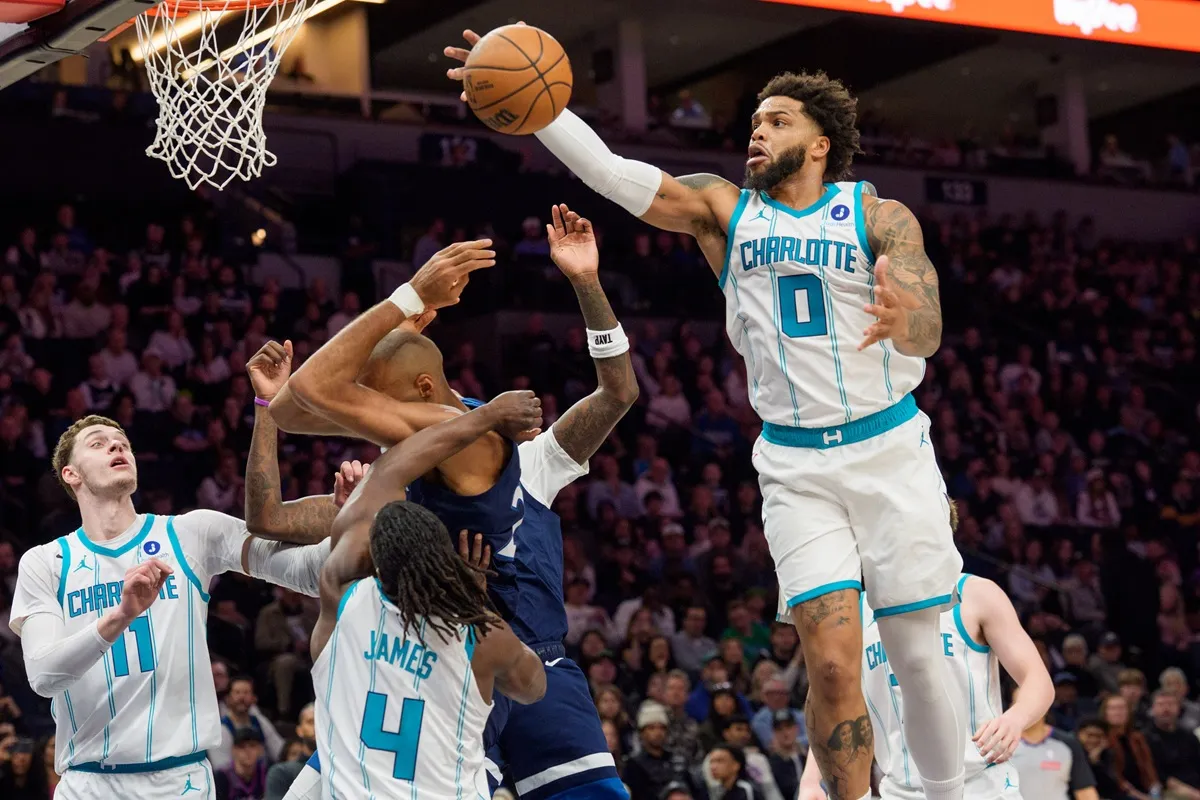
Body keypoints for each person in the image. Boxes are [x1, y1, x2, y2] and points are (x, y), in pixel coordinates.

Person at [447, 30, 962, 800]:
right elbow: (612, 172)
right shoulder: (724, 211)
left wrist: (905, 320)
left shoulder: (877, 215)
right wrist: (539, 108)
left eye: (778, 121)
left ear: (820, 144)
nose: (758, 131)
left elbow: (928, 325)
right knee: (829, 666)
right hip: (794, 464)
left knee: (917, 656)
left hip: (888, 446)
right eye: (754, 121)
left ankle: (950, 793)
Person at [274, 205, 639, 800]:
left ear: (420, 388)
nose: (362, 409)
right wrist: (401, 317)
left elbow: (618, 392)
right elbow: (292, 407)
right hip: (439, 655)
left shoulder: (492, 442)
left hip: (526, 657)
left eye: (373, 394)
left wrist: (586, 283)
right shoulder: (429, 433)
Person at [7, 409, 347, 800]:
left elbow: (308, 573)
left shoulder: (190, 533)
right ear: (71, 474)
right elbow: (45, 676)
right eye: (98, 444)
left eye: (122, 443)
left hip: (180, 781)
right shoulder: (46, 562)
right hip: (88, 783)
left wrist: (350, 519)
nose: (116, 447)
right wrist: (122, 615)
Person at [308, 400, 549, 799]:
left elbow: (386, 471)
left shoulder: (342, 591)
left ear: (376, 560)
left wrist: (488, 415)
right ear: (443, 558)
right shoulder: (480, 636)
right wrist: (473, 601)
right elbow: (534, 687)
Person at [800, 572, 1053, 799]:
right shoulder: (853, 614)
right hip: (899, 790)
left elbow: (1038, 680)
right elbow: (836, 705)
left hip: (984, 787)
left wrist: (1015, 719)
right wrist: (812, 779)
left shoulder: (975, 594)